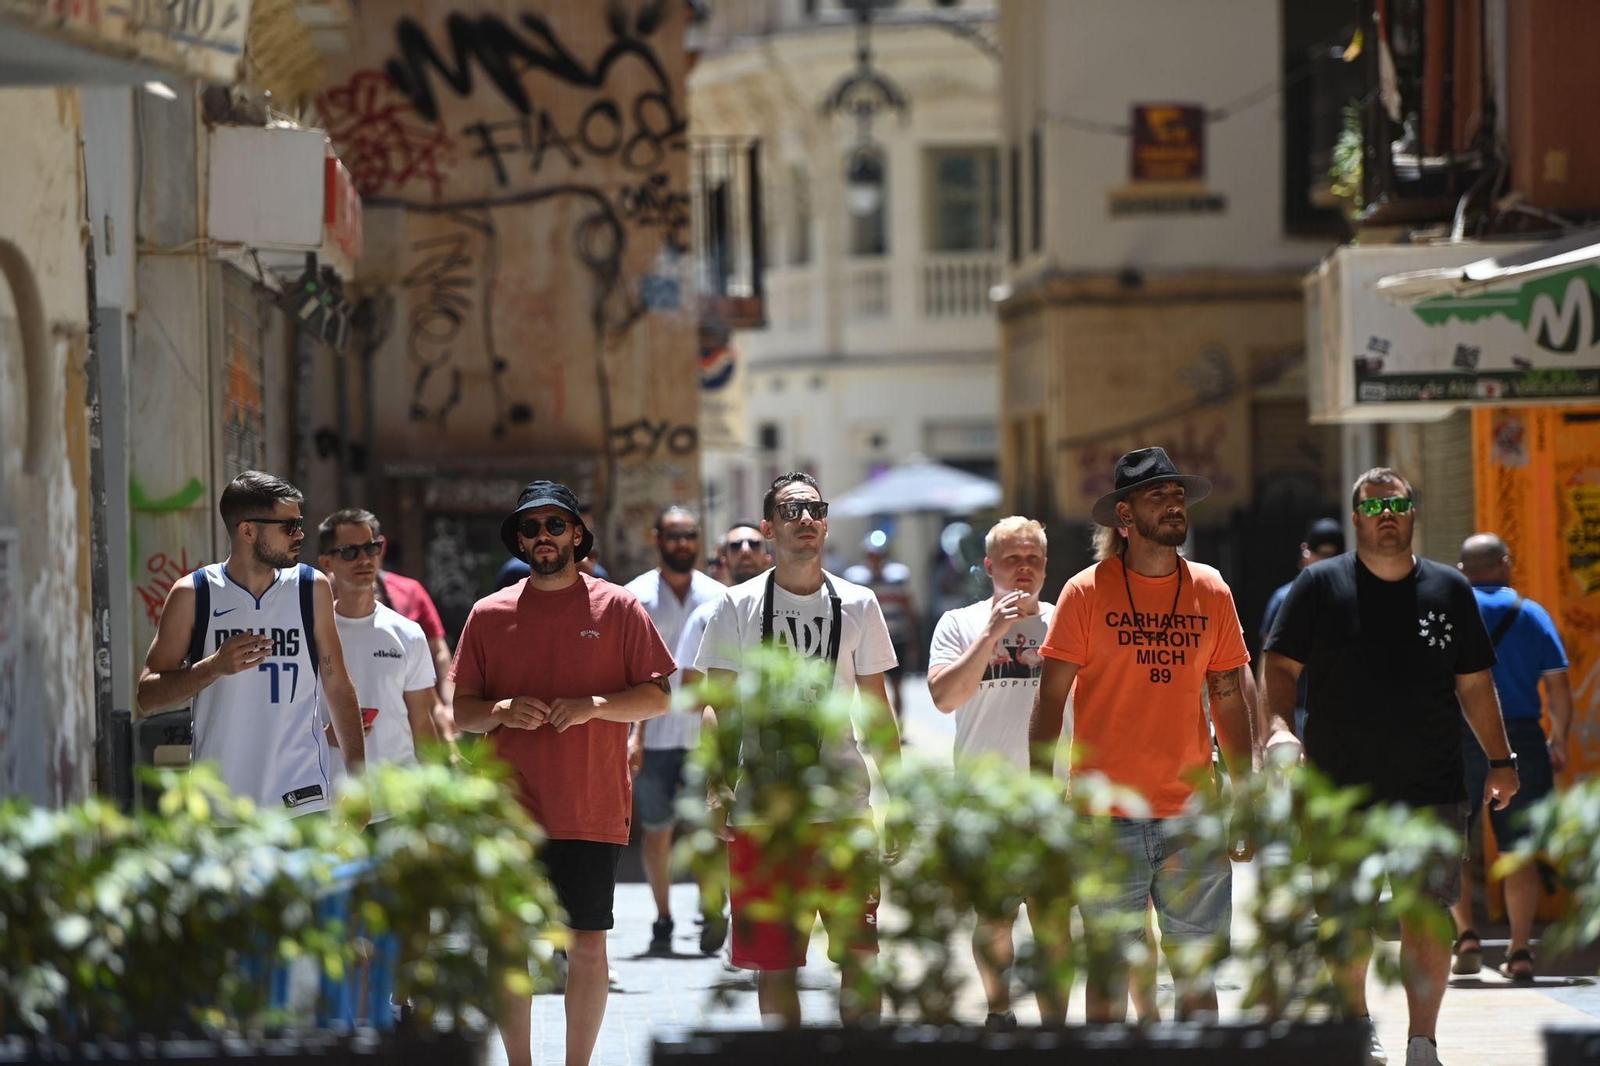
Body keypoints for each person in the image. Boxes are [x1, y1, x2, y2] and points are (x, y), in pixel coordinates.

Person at [1262, 469, 1520, 1066]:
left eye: (1396, 503)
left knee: (1425, 915)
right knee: (1345, 913)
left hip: (1430, 784)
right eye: (1373, 504)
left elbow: (1476, 684)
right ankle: (1356, 1028)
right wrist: (1278, 729)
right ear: (1355, 518)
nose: (1386, 513)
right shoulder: (1319, 587)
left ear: (1412, 514)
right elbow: (1277, 667)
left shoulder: (1449, 589)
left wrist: (1501, 760)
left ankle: (1422, 1041)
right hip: (1339, 788)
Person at [450, 480, 675, 1066]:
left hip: (590, 806)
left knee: (588, 947)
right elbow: (462, 712)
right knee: (509, 947)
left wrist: (595, 707)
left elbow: (657, 697)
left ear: (577, 533)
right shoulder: (488, 613)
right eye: (531, 527)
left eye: (555, 525)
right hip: (508, 815)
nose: (543, 537)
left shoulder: (619, 606)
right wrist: (500, 712)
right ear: (520, 540)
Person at [1029, 447, 1255, 1023]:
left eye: (1178, 494)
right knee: (1109, 977)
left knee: (1198, 976)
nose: (1175, 504)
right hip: (1105, 819)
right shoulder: (1085, 592)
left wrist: (1245, 796)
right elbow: (1050, 700)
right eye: (1159, 495)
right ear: (1124, 517)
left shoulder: (1211, 590)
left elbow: (1228, 701)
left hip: (1192, 818)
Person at [693, 472, 902, 1027]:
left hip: (844, 811)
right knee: (776, 965)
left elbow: (878, 711)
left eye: (815, 510)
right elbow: (718, 703)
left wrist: (898, 798)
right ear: (768, 529)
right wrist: (716, 787)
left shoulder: (858, 603)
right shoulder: (737, 605)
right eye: (791, 511)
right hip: (763, 815)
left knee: (860, 957)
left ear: (826, 523)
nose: (805, 520)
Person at [137, 471, 365, 815]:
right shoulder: (193, 593)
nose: (300, 534)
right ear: (247, 531)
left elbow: (338, 686)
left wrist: (359, 782)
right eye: (289, 526)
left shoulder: (311, 587)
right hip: (221, 806)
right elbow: (147, 696)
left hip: (301, 799)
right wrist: (213, 667)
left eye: (299, 523)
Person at [926, 516, 1060, 1029]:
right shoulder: (959, 623)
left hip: (1052, 801)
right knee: (994, 919)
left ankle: (1055, 1026)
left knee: (1053, 922)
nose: (1023, 569)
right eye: (1012, 559)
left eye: (1032, 559)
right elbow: (943, 698)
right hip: (986, 804)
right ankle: (999, 1012)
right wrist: (992, 633)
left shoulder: (1065, 621)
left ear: (1045, 566)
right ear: (988, 567)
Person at [1450, 533, 1572, 983]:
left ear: (1462, 571)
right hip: (1521, 734)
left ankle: (1466, 938)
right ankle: (1520, 951)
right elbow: (1558, 688)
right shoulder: (1532, 614)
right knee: (1518, 849)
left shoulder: (1451, 613)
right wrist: (1558, 739)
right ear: (1506, 563)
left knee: (1452, 843)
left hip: (1457, 737)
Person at [623, 506, 726, 955]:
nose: (682, 543)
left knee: (707, 831)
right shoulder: (635, 596)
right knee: (658, 831)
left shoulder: (720, 596)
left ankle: (711, 910)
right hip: (653, 737)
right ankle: (663, 916)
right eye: (674, 535)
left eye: (690, 536)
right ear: (656, 538)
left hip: (704, 737)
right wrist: (631, 734)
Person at [675, 522, 774, 956]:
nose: (747, 551)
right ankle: (715, 906)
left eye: (755, 543)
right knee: (715, 837)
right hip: (718, 745)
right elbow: (694, 687)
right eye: (737, 545)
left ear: (767, 554)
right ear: (723, 557)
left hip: (770, 753)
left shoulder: (788, 607)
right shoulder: (709, 613)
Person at [317, 510, 442, 799]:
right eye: (349, 551)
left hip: (397, 799)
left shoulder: (408, 633)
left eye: (372, 548)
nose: (364, 559)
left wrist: (436, 798)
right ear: (327, 562)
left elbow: (421, 721)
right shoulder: (311, 633)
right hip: (329, 799)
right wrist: (325, 738)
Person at [1257, 517, 1346, 740]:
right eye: (1322, 555)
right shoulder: (1284, 600)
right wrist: (1266, 734)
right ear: (1306, 552)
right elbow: (1267, 667)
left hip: (1342, 714)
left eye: (1333, 556)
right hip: (1293, 712)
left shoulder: (1352, 599)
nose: (1327, 563)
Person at [373, 557, 456, 742]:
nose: (363, 559)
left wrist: (449, 704)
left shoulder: (411, 591)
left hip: (416, 707)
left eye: (370, 548)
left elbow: (439, 651)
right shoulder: (329, 594)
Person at [845, 534, 920, 720]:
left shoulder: (898, 576)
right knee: (868, 688)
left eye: (879, 554)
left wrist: (913, 637)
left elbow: (907, 606)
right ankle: (872, 727)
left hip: (897, 637)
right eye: (872, 554)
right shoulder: (856, 578)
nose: (876, 559)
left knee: (897, 685)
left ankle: (899, 725)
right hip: (867, 640)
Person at [496, 505, 611, 590]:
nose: (543, 536)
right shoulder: (516, 571)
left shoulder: (597, 575)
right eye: (557, 527)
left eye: (588, 530)